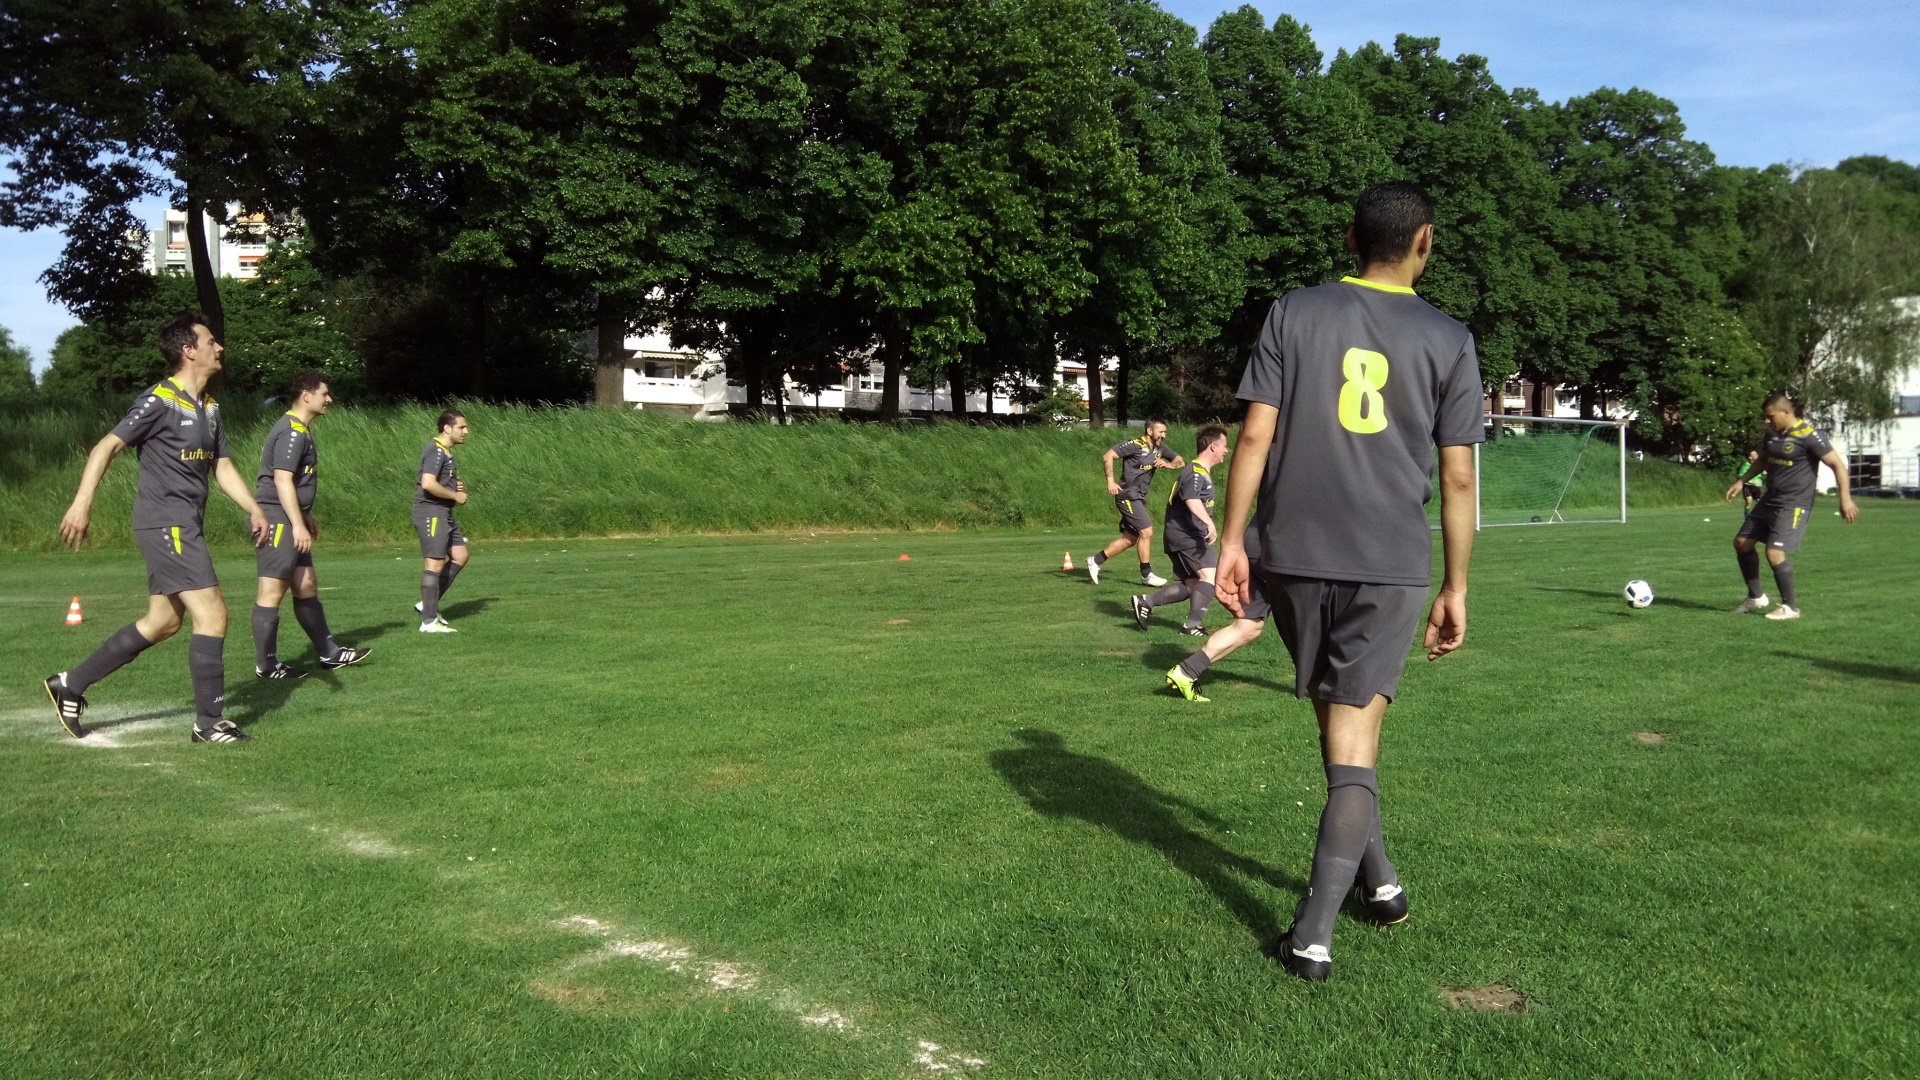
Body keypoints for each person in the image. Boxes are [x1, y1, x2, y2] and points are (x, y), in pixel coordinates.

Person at [1215, 181, 1483, 981]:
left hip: (1291, 552)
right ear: (1425, 241)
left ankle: (1382, 884)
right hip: (1386, 561)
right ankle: (1313, 937)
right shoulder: (1449, 338)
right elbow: (1458, 477)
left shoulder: (1293, 311)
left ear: (1350, 238)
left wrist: (1231, 540)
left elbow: (1254, 435)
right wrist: (1456, 586)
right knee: (1355, 740)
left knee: (1339, 734)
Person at [45, 312, 269, 743]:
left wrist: (254, 508)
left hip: (183, 523)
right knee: (213, 614)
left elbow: (222, 466)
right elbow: (106, 446)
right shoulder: (158, 401)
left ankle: (70, 684)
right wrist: (82, 502)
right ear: (188, 351)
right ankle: (209, 724)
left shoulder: (210, 407)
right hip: (166, 522)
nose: (219, 347)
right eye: (210, 341)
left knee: (163, 622)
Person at [249, 370, 372, 678]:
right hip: (278, 519)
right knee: (272, 591)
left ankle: (330, 654)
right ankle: (267, 666)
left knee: (305, 586)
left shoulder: (301, 430)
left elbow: (293, 483)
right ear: (306, 395)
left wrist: (304, 517)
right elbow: (282, 480)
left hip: (290, 517)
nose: (329, 399)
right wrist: (297, 524)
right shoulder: (291, 431)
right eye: (324, 394)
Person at [1724, 393, 1857, 620]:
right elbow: (1763, 460)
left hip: (1794, 504)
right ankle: (1756, 597)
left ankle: (1790, 607)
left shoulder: (1810, 437)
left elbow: (1838, 465)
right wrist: (1742, 481)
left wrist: (1845, 498)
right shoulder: (1772, 434)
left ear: (1786, 412)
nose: (1766, 421)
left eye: (1770, 416)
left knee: (1774, 553)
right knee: (1742, 543)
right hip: (1769, 500)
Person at [1132, 426, 1229, 636]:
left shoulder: (1200, 472)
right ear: (1213, 446)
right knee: (1210, 577)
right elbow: (1191, 499)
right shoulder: (1195, 473)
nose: (1226, 450)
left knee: (1193, 586)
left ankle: (1146, 601)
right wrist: (1210, 523)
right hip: (1188, 536)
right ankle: (1191, 626)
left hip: (1182, 535)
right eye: (1224, 446)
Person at [1163, 533, 1272, 704]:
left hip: (1255, 545)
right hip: (1288, 550)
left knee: (1249, 626)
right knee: (1311, 619)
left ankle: (1186, 671)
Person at [1087, 417, 1183, 587]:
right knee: (1147, 532)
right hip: (1128, 496)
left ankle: (1095, 560)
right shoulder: (1135, 444)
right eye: (1160, 432)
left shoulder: (1160, 448)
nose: (1163, 435)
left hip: (1139, 497)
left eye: (1165, 432)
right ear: (1149, 431)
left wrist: (1168, 465)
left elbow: (1180, 461)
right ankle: (1146, 575)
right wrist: (1110, 481)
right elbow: (1108, 456)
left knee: (1129, 539)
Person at [414, 410, 471, 632]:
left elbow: (438, 481)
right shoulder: (436, 451)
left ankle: (426, 604)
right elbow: (428, 483)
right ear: (447, 428)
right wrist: (455, 495)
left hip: (443, 513)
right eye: (461, 427)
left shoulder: (445, 452)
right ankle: (429, 622)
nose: (466, 431)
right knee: (434, 563)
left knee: (460, 555)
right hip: (431, 513)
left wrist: (452, 485)